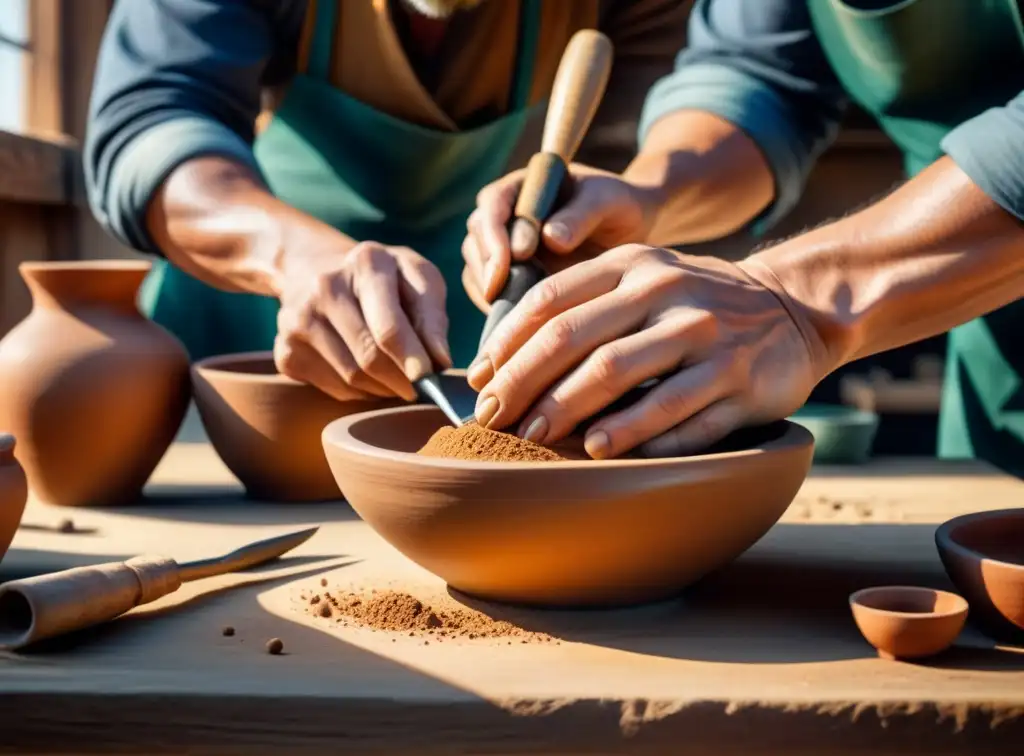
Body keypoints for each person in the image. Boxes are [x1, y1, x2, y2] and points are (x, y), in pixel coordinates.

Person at [462, 0, 1024, 477]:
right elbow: (761, 73)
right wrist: (649, 195)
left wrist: (794, 297)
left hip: (963, 256)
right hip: (981, 321)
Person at [84, 0, 691, 403]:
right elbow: (152, 120)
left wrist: (634, 201)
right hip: (234, 370)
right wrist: (294, 259)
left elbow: (712, 117)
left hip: (501, 354)